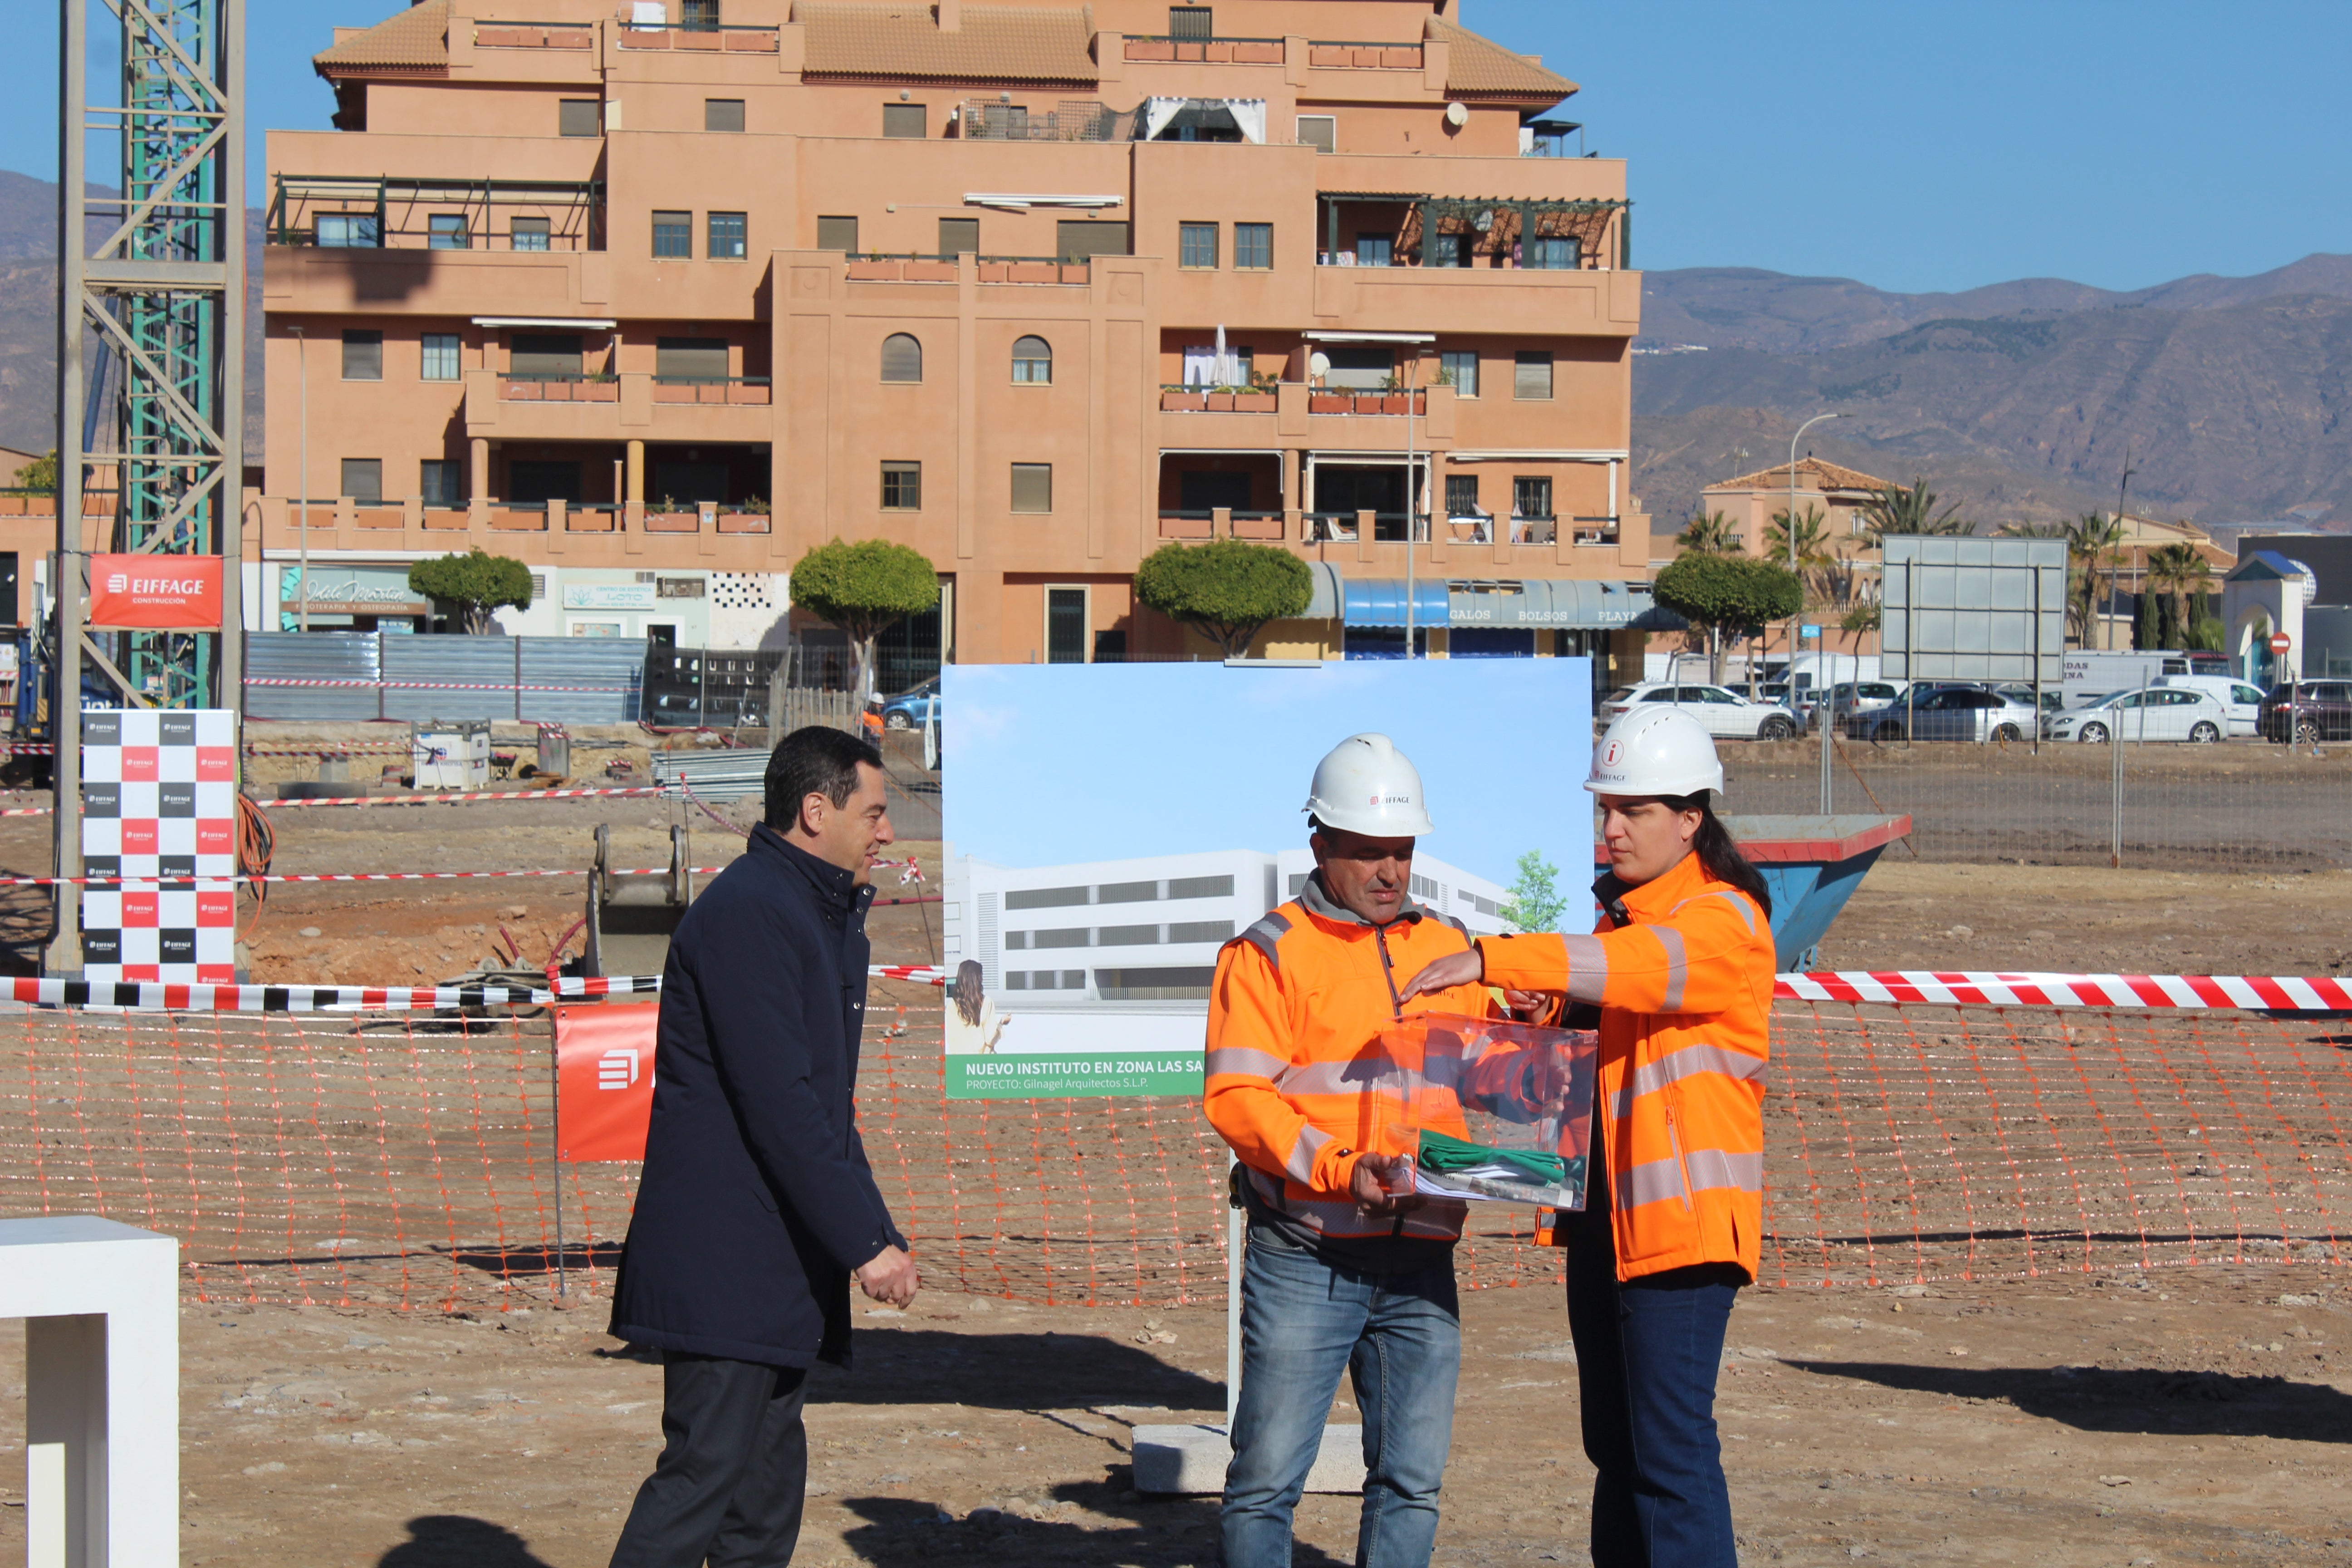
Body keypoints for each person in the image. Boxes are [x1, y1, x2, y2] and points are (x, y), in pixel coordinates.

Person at [1400, 706, 1776, 1568]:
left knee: (1669, 1457)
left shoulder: (1724, 922)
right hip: (1606, 1226)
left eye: (1633, 811)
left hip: (1679, 1233)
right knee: (1617, 1450)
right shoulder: (1619, 924)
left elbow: (1642, 970)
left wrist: (1494, 958)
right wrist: (1548, 1012)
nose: (1611, 829)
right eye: (1603, 808)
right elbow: (1593, 1046)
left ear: (1690, 819)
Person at [607, 725, 921, 1568]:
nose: (886, 833)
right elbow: (781, 1106)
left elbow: (824, 1107)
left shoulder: (805, 913)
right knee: (702, 1480)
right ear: (815, 811)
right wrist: (864, 1246)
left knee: (763, 1493)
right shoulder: (752, 913)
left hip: (772, 1266)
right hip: (726, 1262)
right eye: (875, 812)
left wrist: (874, 1230)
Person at [1204, 733, 1503, 1568]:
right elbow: (1237, 1099)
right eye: (1368, 853)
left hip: (1421, 1260)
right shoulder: (1266, 953)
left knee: (1410, 1483)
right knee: (1265, 1483)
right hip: (1307, 1256)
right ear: (1319, 846)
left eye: (1401, 853)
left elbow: (1490, 1071)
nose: (1389, 873)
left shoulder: (1447, 947)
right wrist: (1339, 1171)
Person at [944, 959, 1007, 1054]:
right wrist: (1001, 1024)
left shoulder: (951, 1006)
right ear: (977, 979)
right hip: (981, 1064)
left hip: (958, 1063)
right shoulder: (986, 1002)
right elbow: (990, 1039)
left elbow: (951, 1038)